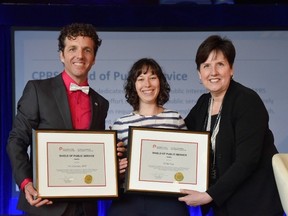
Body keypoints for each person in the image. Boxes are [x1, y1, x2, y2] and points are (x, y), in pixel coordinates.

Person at [6, 23, 109, 216]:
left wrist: (113, 154)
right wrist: (26, 183)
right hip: (45, 204)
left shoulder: (100, 103)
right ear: (62, 55)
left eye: (87, 50)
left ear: (94, 58)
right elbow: (16, 141)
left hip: (85, 207)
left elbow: (95, 152)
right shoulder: (37, 90)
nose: (80, 56)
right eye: (72, 49)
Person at [178, 35, 284, 216]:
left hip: (254, 204)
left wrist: (210, 195)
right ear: (199, 74)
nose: (213, 72)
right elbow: (181, 137)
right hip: (225, 205)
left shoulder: (246, 100)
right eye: (206, 66)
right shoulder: (204, 103)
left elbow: (247, 160)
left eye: (220, 64)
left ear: (231, 69)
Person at [107, 58, 189, 216]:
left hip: (168, 199)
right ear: (133, 85)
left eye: (153, 77)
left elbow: (187, 161)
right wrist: (116, 170)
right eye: (140, 78)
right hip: (129, 200)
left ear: (160, 82)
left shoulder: (175, 118)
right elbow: (113, 170)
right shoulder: (120, 124)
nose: (147, 84)